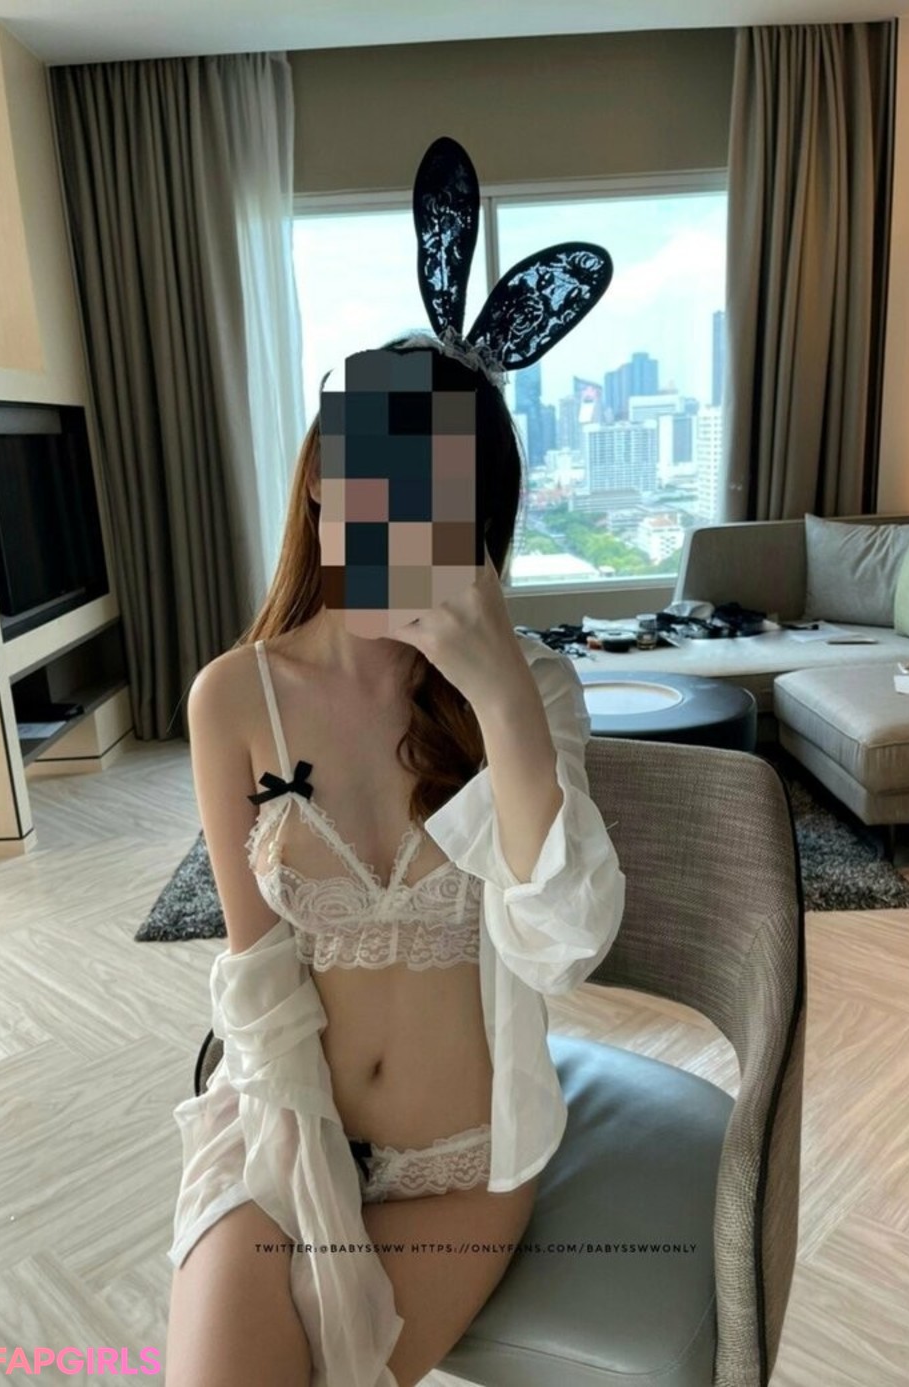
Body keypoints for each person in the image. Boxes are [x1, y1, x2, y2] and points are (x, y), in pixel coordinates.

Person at [163, 136, 627, 1387]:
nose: (398, 527)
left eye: (439, 505)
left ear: (481, 528)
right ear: (322, 488)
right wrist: (308, 1181)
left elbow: (565, 945)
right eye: (375, 488)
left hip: (473, 1165)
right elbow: (257, 974)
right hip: (286, 1136)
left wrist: (499, 692)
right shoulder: (233, 700)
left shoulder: (527, 691)